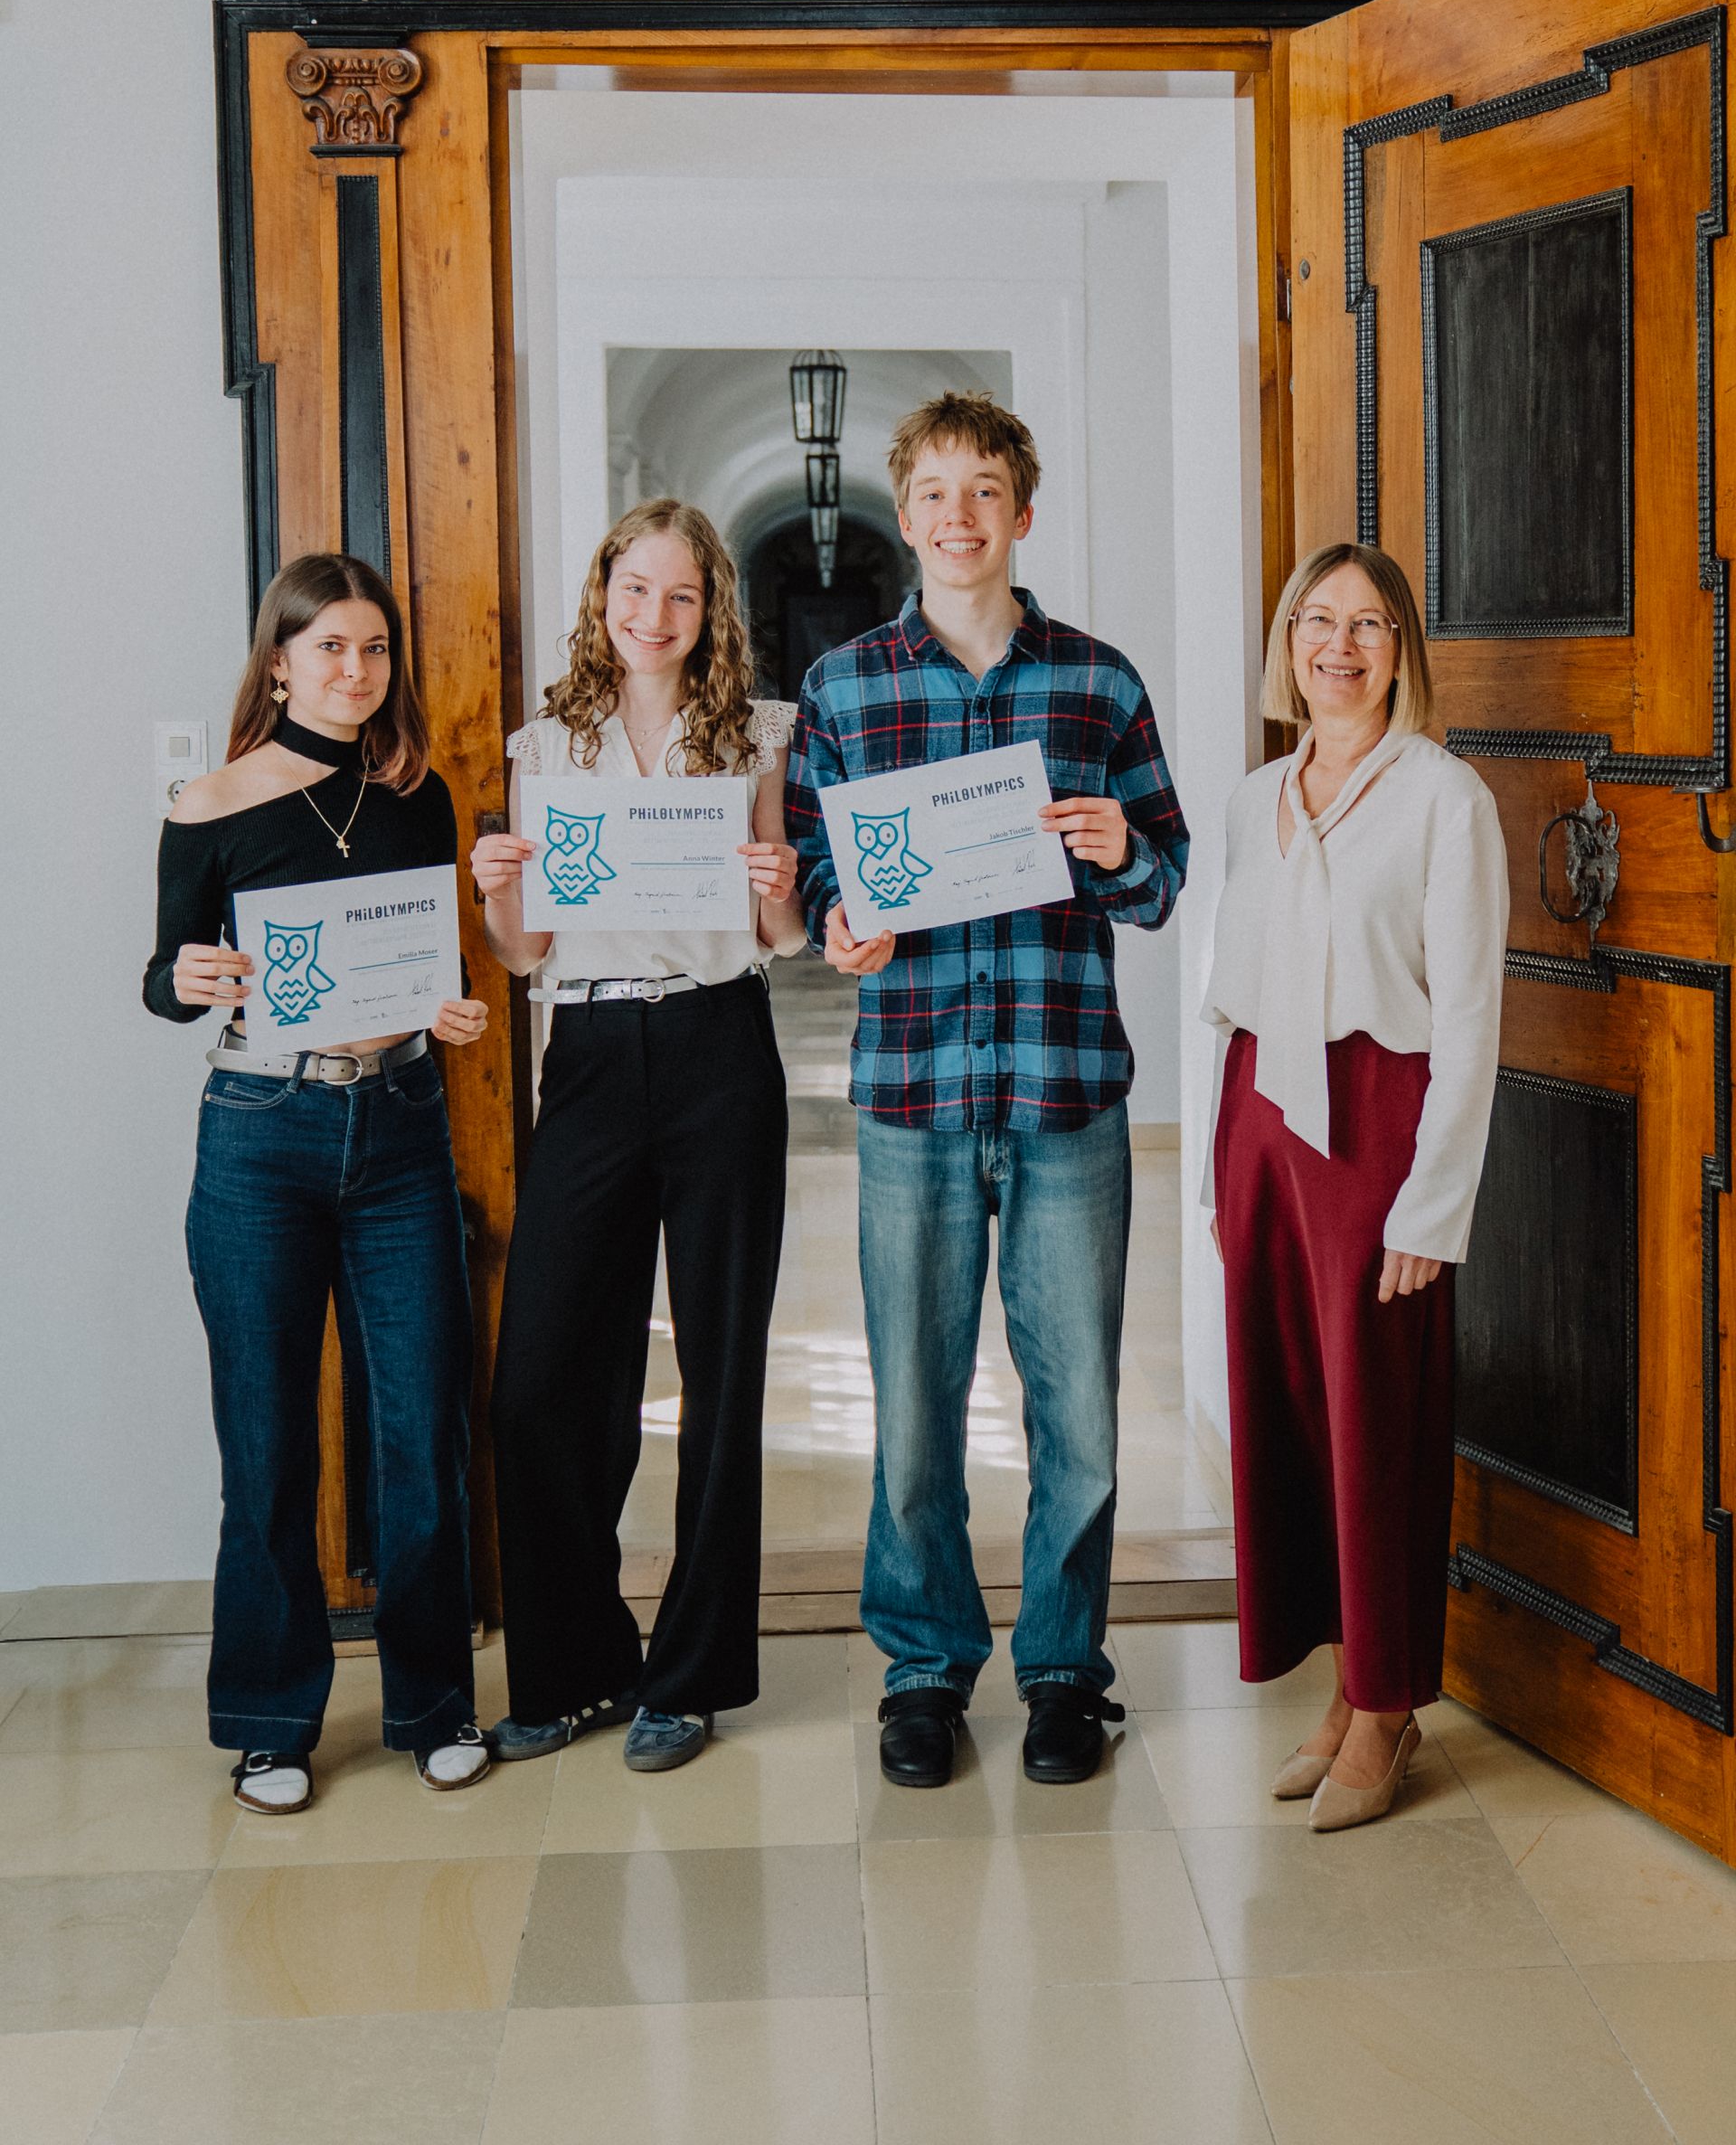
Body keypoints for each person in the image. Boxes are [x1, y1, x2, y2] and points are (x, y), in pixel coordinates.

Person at [786, 393, 1189, 1789]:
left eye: (985, 491)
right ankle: (925, 1668)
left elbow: (1163, 878)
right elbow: (816, 870)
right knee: (914, 1407)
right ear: (905, 515)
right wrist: (839, 923)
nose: (959, 516)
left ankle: (1065, 1669)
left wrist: (1122, 847)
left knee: (1079, 1413)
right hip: (913, 1095)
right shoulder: (844, 689)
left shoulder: (1100, 684)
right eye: (935, 493)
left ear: (1023, 509)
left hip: (1067, 1091)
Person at [144, 553, 492, 1813]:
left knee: (423, 1433)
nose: (357, 670)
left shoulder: (417, 797)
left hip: (399, 1125)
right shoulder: (209, 803)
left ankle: (435, 1708)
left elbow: (433, 962)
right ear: (281, 661)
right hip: (261, 1135)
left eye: (376, 648)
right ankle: (270, 1725)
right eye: (331, 646)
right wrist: (187, 978)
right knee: (267, 1442)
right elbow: (163, 977)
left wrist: (451, 1011)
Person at [472, 498, 805, 1774]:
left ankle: (693, 1676)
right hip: (594, 1054)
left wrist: (780, 892)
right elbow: (526, 952)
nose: (653, 615)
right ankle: (575, 1669)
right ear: (601, 595)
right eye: (633, 589)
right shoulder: (548, 742)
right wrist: (499, 895)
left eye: (680, 594)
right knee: (542, 1379)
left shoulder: (758, 734)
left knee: (721, 1373)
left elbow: (777, 938)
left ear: (710, 610)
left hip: (721, 1046)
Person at [1203, 543, 1508, 1829]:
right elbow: (1232, 983)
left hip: (1378, 1124)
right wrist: (1220, 1170)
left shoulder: (1446, 799)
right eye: (1319, 621)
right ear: (1290, 644)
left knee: (1377, 1420)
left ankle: (1388, 1707)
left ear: (1401, 654)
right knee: (1290, 1414)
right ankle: (1344, 1685)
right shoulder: (1255, 796)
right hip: (1263, 1120)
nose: (1341, 644)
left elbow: (1472, 1017)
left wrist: (1432, 1203)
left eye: (1370, 624)